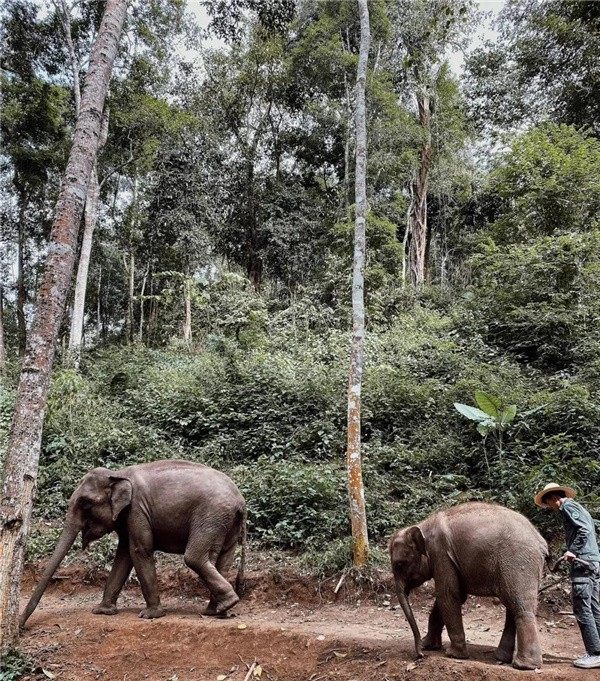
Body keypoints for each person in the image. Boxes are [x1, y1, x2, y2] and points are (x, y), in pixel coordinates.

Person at [535, 482, 600, 669]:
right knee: (594, 608)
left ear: (554, 498)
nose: (550, 508)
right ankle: (598, 651)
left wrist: (572, 551)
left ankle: (594, 653)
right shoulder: (578, 507)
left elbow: (584, 530)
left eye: (548, 504)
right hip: (592, 563)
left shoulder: (568, 506)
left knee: (582, 609)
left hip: (583, 564)